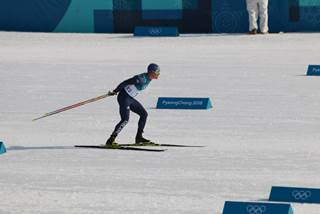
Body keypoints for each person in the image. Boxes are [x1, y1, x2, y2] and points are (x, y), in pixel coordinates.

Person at [105, 63, 160, 146]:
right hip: (124, 97)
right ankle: (111, 140)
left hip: (130, 98)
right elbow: (125, 82)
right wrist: (115, 91)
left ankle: (139, 137)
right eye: (157, 72)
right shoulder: (140, 79)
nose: (158, 74)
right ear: (151, 72)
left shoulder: (149, 78)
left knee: (144, 114)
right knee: (125, 119)